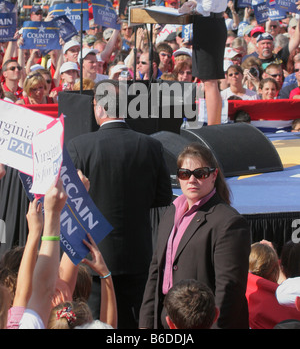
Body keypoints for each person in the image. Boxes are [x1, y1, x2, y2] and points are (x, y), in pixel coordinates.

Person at [67, 80, 173, 328]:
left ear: (98, 108)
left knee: (94, 323)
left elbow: (69, 200)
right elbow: (163, 197)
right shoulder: (151, 146)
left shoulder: (79, 147)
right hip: (138, 257)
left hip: (93, 258)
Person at [139, 142, 251, 329]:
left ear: (213, 175)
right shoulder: (170, 213)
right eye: (185, 174)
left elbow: (230, 289)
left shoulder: (229, 222)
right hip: (168, 321)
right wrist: (145, 324)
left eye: (200, 174)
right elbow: (156, 272)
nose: (192, 180)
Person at [178, 0, 229, 125]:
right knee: (211, 81)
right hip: (216, 24)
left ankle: (214, 126)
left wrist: (192, 8)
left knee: (209, 82)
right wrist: (191, 2)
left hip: (207, 25)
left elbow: (205, 6)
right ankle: (214, 124)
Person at [18, 179, 68, 329]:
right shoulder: (18, 324)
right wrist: (53, 214)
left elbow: (26, 292)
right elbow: (38, 290)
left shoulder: (18, 322)